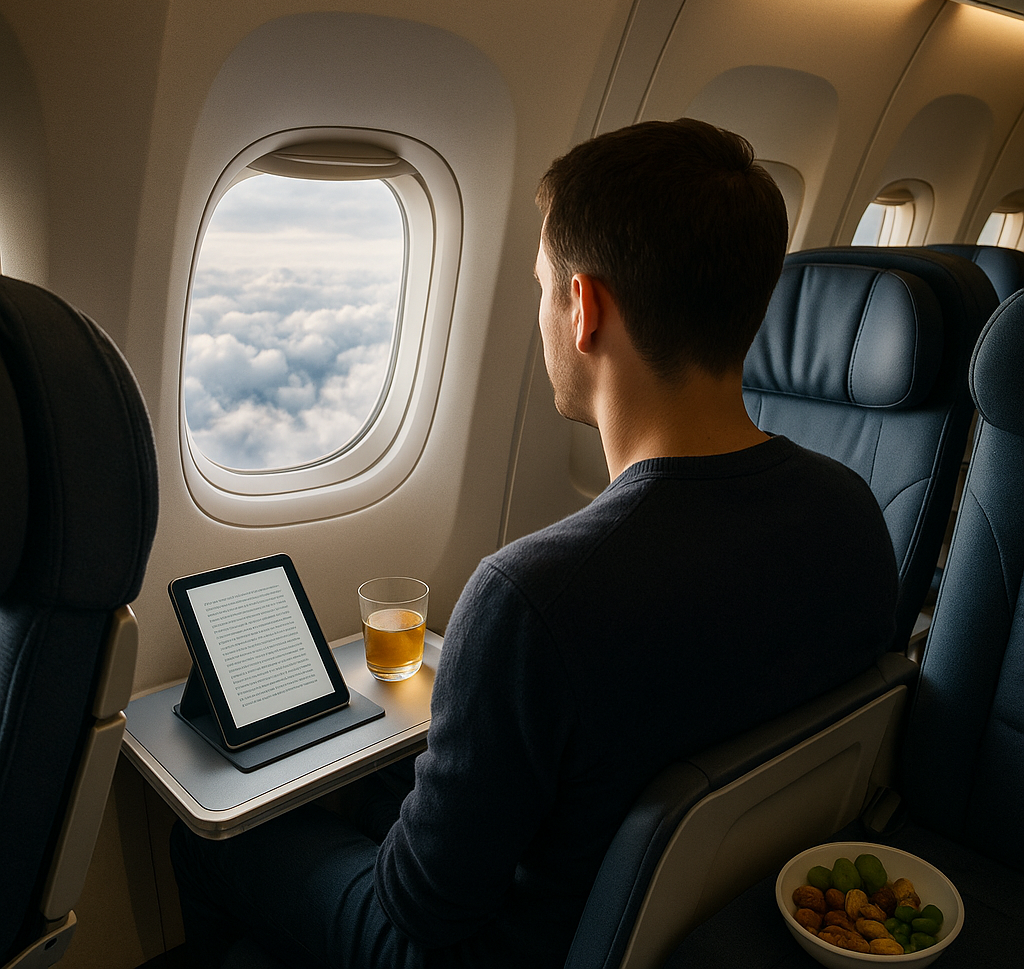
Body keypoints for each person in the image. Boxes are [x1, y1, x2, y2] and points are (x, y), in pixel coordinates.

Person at [171, 118, 898, 968]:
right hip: (706, 924)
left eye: (543, 287)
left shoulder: (533, 599)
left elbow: (421, 908)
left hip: (515, 949)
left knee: (219, 836)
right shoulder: (853, 516)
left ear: (585, 310)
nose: (542, 311)